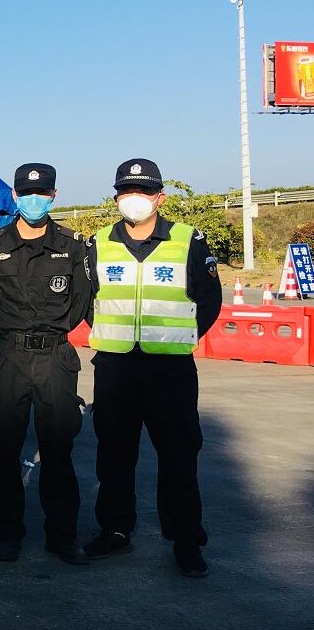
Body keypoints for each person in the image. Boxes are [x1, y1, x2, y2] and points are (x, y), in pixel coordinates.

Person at [83, 159, 221, 578]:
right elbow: (88, 301)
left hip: (170, 370)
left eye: (143, 191)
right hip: (116, 366)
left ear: (160, 197)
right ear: (116, 198)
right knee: (114, 455)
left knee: (179, 456)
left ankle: (186, 541)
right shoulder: (97, 243)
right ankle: (115, 530)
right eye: (127, 191)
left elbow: (209, 301)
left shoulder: (189, 240)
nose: (135, 199)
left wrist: (178, 336)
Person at [0, 163, 92, 566]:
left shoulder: (72, 245)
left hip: (54, 358)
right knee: (4, 451)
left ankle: (61, 536)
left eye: (42, 193)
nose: (34, 200)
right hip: (8, 357)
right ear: (15, 196)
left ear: (53, 196)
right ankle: (9, 534)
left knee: (58, 451)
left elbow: (80, 302)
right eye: (27, 193)